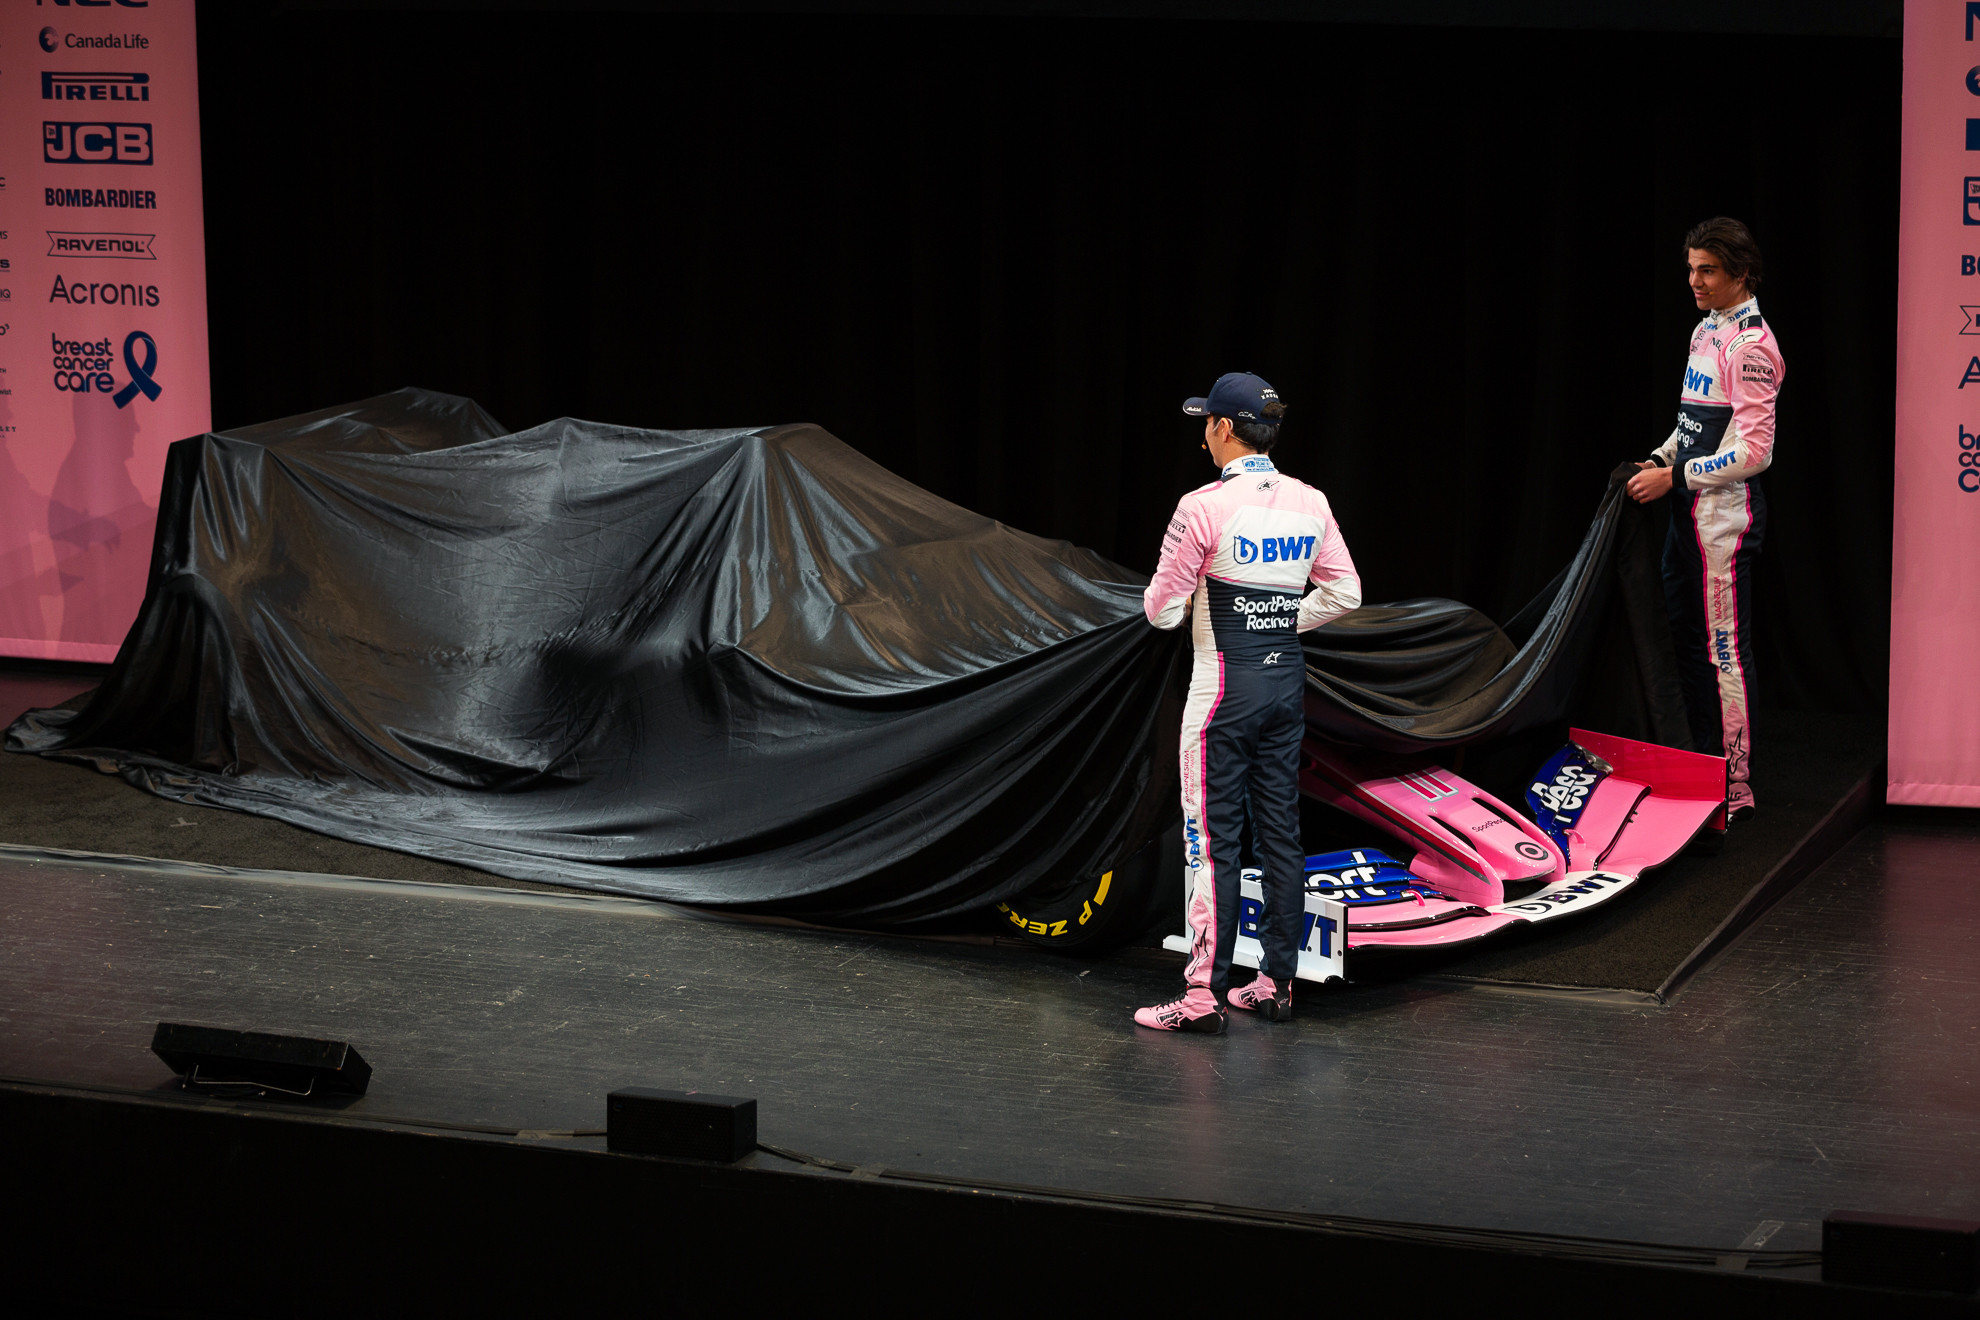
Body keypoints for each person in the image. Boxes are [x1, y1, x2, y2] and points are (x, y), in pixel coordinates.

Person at [1133, 372, 1361, 1034]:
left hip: (1222, 694)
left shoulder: (1200, 507)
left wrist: (1211, 611)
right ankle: (1275, 986)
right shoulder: (1310, 502)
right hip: (1284, 686)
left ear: (1223, 429)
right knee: (1282, 836)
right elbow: (1345, 592)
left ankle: (1202, 997)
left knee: (1211, 844)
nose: (1204, 431)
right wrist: (1280, 620)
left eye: (1206, 421)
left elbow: (1160, 611)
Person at [1624, 218, 1784, 821]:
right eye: (1691, 268)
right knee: (1684, 639)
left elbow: (1755, 453)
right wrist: (1664, 456)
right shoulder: (1705, 329)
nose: (1693, 280)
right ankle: (1699, 762)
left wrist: (1676, 476)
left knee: (1723, 652)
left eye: (1707, 270)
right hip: (1685, 515)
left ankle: (1736, 785)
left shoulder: (1752, 346)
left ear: (1739, 274)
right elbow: (1693, 420)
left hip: (1722, 523)